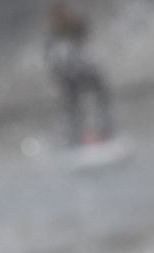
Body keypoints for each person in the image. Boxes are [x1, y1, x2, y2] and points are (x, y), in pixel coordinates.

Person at [45, 4, 114, 146]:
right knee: (73, 106)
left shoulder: (72, 25)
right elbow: (52, 58)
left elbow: (83, 32)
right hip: (69, 73)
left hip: (79, 69)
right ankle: (75, 138)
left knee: (93, 100)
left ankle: (100, 133)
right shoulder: (55, 35)